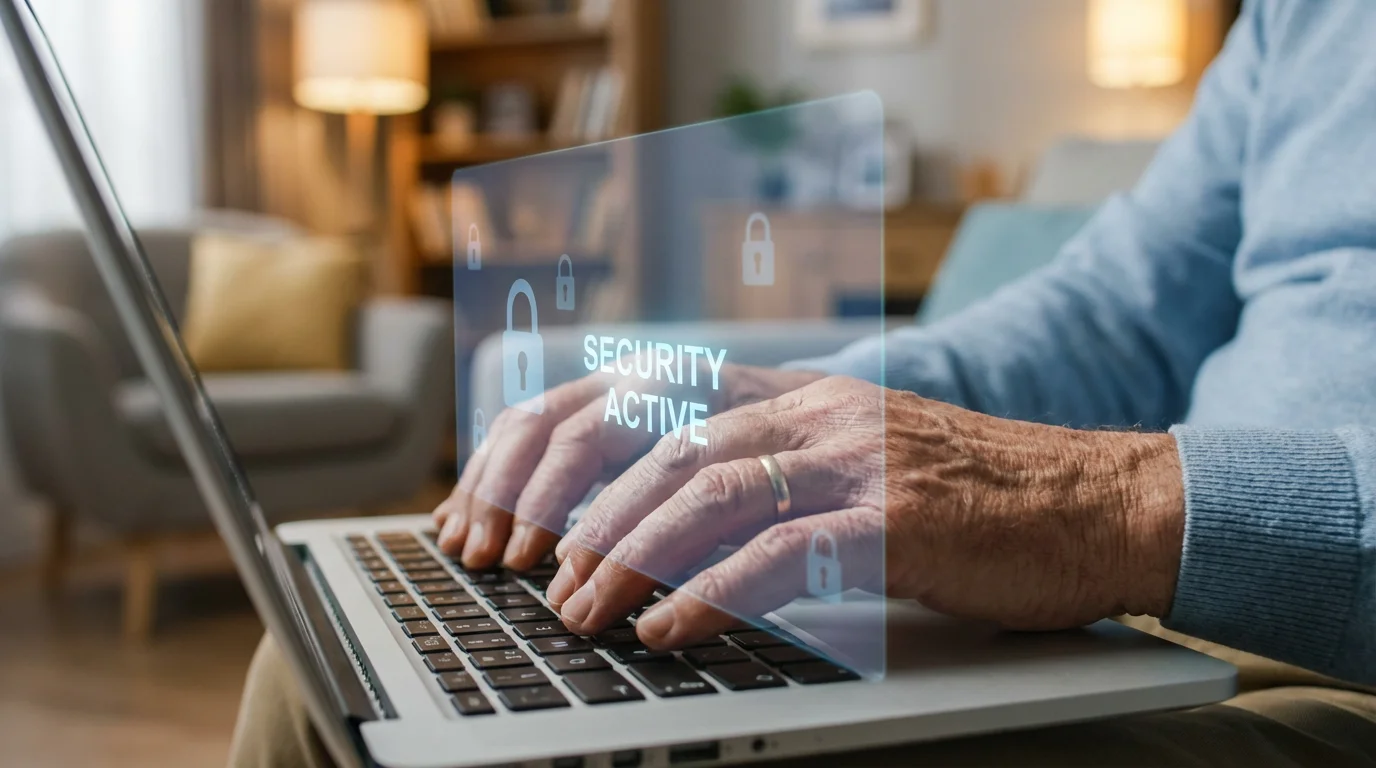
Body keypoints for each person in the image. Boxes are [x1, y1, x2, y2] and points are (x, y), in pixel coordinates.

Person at [230, 1, 1376, 764]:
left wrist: (1121, 509)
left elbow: (1115, 482)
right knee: (336, 658)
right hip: (1160, 610)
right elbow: (1110, 316)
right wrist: (784, 409)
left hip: (1317, 645)